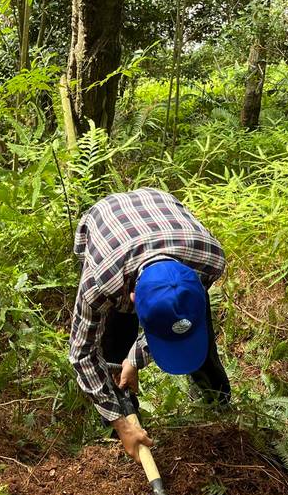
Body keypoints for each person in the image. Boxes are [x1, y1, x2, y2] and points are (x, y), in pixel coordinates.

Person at [69, 188, 231, 459]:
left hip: (164, 217)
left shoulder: (209, 260)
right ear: (132, 300)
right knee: (113, 353)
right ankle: (125, 433)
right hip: (109, 227)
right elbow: (82, 354)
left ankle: (217, 406)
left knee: (194, 335)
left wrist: (136, 359)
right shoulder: (100, 284)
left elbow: (176, 320)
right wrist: (120, 423)